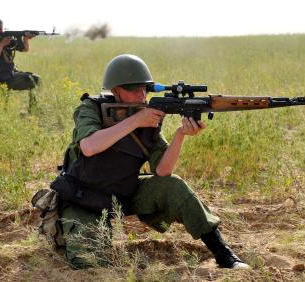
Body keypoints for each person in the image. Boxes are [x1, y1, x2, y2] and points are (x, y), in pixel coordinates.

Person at [57, 54, 250, 270]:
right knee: (89, 263)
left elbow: (163, 171)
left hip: (124, 193)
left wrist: (180, 134)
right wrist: (135, 121)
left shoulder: (147, 118)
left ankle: (224, 254)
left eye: (144, 89)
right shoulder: (92, 108)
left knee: (173, 185)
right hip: (84, 197)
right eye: (132, 89)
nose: (140, 94)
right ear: (115, 90)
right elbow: (89, 146)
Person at [0, 15, 41, 110]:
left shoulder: (2, 38)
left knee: (34, 79)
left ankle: (34, 109)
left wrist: (25, 38)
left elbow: (25, 49)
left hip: (8, 75)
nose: (2, 31)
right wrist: (1, 45)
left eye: (2, 28)